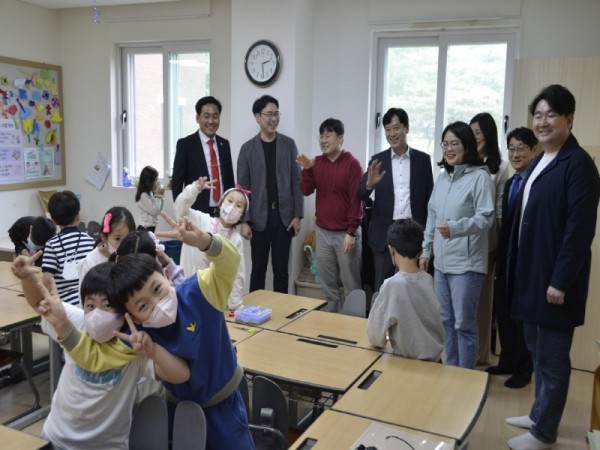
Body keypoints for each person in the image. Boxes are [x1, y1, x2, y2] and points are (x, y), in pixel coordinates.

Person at [504, 85, 600, 450]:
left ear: (569, 120)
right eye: (538, 115)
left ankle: (544, 433)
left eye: (551, 115)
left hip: (555, 283)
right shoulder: (542, 159)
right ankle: (539, 413)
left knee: (553, 358)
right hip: (531, 277)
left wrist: (560, 281)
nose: (542, 122)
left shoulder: (578, 165)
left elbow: (579, 231)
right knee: (537, 350)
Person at [106, 213, 254, 449]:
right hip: (178, 410)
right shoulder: (137, 333)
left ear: (166, 275)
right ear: (132, 315)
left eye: (157, 289)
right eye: (143, 306)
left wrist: (205, 241)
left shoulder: (200, 292)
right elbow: (179, 374)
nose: (156, 304)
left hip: (224, 406)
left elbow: (230, 263)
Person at [12, 257, 190, 450]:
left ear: (124, 311)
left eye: (107, 306)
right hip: (56, 439)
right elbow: (39, 302)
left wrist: (153, 351)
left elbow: (180, 375)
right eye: (90, 305)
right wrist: (27, 278)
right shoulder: (76, 322)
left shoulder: (133, 346)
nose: (97, 314)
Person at [419, 121, 495, 369]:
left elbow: (486, 218)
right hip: (441, 264)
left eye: (455, 143)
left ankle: (466, 379)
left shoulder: (480, 177)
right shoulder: (442, 177)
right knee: (446, 321)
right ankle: (451, 372)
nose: (449, 149)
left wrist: (456, 228)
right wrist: (426, 250)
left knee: (464, 324)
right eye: (445, 144)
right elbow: (431, 216)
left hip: (467, 265)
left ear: (468, 146)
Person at [357, 107, 433, 293]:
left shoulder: (423, 161)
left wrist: (427, 240)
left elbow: (429, 199)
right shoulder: (378, 160)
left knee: (411, 289)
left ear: (406, 128)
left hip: (413, 233)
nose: (392, 133)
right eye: (388, 129)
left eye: (396, 128)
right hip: (384, 235)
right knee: (382, 289)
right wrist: (369, 184)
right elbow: (359, 194)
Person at [237, 95, 303, 293]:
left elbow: (296, 181)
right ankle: (253, 312)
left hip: (284, 219)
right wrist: (244, 221)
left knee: (282, 270)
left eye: (276, 114)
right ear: (258, 117)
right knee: (257, 270)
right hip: (258, 218)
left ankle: (283, 315)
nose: (273, 119)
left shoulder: (289, 145)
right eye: (269, 114)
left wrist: (297, 215)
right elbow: (242, 188)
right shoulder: (247, 149)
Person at [486, 127, 536, 388]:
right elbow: (506, 225)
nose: (515, 154)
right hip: (507, 259)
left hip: (526, 261)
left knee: (521, 319)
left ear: (533, 150)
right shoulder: (511, 182)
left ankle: (523, 369)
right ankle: (506, 360)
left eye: (521, 149)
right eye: (512, 149)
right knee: (503, 314)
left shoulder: (534, 182)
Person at [297, 118, 363, 312]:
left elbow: (357, 200)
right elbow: (305, 189)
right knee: (328, 287)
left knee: (351, 286)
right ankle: (332, 326)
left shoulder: (352, 164)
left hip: (346, 234)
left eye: (328, 135)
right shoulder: (317, 163)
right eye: (321, 136)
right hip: (323, 232)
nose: (323, 140)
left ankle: (354, 328)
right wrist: (308, 169)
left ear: (340, 138)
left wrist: (352, 231)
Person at [366, 218, 444, 361]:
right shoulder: (428, 280)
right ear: (421, 251)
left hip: (408, 365)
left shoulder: (392, 285)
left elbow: (375, 336)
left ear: (391, 250)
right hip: (436, 361)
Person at [469, 112, 510, 365]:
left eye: (478, 133)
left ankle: (480, 356)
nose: (474, 138)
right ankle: (464, 353)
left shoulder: (501, 167)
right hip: (463, 241)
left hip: (487, 243)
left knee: (482, 304)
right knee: (465, 303)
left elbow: (499, 211)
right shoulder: (467, 163)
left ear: (488, 135)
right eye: (471, 133)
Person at [174, 177, 248, 310]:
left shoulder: (236, 239)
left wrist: (235, 304)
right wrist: (194, 189)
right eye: (230, 201)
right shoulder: (200, 219)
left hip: (215, 302)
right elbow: (180, 208)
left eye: (238, 206)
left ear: (242, 215)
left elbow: (237, 273)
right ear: (221, 203)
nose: (232, 207)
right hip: (188, 296)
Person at [171, 96, 235, 216]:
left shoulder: (224, 144)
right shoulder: (185, 144)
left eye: (215, 116)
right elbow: (177, 184)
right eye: (206, 116)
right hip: (196, 213)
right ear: (197, 118)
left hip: (223, 213)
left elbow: (229, 181)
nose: (211, 121)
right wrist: (180, 213)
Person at [42, 190, 95, 306]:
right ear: (78, 216)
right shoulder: (90, 241)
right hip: (91, 302)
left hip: (66, 307)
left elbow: (47, 280)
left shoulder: (52, 244)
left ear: (53, 220)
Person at [77, 206, 136, 288]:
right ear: (104, 237)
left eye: (128, 238)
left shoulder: (133, 254)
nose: (124, 244)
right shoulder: (92, 261)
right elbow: (85, 296)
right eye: (117, 239)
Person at [135, 165, 165, 232]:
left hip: (151, 227)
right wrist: (158, 196)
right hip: (145, 228)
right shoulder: (143, 196)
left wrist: (159, 196)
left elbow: (159, 210)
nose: (157, 183)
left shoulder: (150, 193)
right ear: (148, 182)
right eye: (156, 180)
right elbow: (155, 211)